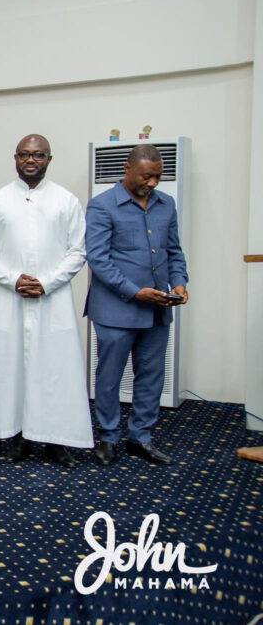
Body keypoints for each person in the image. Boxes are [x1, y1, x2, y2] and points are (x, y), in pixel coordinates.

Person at [0, 134, 93, 467]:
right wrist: (13, 280)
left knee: (55, 370)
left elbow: (78, 251)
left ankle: (56, 441)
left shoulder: (66, 201)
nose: (31, 160)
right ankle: (20, 438)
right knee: (13, 370)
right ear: (15, 158)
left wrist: (47, 282)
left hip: (52, 300)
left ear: (49, 159)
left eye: (38, 155)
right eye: (25, 154)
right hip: (9, 300)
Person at [85, 143, 188, 466]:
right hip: (115, 308)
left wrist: (180, 283)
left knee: (151, 376)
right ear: (127, 169)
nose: (152, 183)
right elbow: (98, 259)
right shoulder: (102, 206)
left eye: (157, 176)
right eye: (146, 176)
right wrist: (134, 292)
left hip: (158, 306)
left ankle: (141, 437)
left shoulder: (166, 204)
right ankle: (108, 437)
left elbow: (174, 251)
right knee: (110, 377)